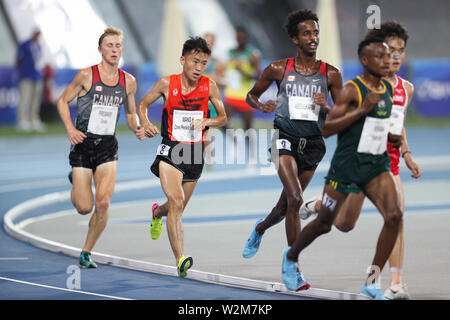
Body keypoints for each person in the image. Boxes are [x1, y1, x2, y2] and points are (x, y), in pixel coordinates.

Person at [299, 22, 421, 299]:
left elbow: (396, 123)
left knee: (396, 217)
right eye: (391, 51)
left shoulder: (407, 89)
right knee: (344, 224)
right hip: (358, 163)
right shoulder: (363, 86)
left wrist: (407, 155)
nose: (397, 57)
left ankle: (393, 284)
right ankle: (320, 204)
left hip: (386, 164)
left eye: (401, 51)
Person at [242, 9, 343, 291]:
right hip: (283, 138)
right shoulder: (278, 69)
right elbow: (252, 95)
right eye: (307, 34)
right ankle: (292, 264)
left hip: (312, 145)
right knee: (296, 199)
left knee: (284, 206)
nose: (313, 38)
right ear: (295, 39)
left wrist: (327, 107)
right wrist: (261, 105)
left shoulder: (331, 74)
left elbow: (342, 113)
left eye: (316, 33)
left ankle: (260, 228)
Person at [137, 37, 227, 278]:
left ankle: (157, 212)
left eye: (204, 63)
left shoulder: (210, 86)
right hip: (171, 150)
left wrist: (206, 121)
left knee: (177, 207)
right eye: (195, 61)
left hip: (194, 152)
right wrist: (145, 122)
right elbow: (143, 105)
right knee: (176, 202)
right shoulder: (167, 83)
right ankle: (180, 260)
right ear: (182, 60)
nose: (199, 67)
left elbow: (223, 118)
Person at [56, 27, 146, 268]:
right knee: (85, 208)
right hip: (83, 147)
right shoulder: (86, 76)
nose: (114, 50)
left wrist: (137, 127)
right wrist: (70, 129)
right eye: (109, 45)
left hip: (107, 147)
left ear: (122, 50)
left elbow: (130, 113)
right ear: (100, 49)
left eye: (118, 46)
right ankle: (76, 181)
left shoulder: (129, 81)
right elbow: (62, 101)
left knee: (104, 203)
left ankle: (86, 251)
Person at [224, 26, 261, 163]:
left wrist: (244, 72)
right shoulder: (230, 53)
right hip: (231, 94)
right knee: (223, 121)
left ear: (246, 38)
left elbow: (258, 76)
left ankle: (252, 156)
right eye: (238, 37)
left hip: (245, 96)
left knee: (247, 128)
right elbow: (224, 70)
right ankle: (234, 140)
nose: (240, 40)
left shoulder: (252, 54)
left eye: (242, 37)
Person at [203, 33, 226, 170]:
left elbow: (225, 82)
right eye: (206, 41)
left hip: (211, 104)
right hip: (196, 104)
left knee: (207, 136)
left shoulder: (218, 63)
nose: (208, 44)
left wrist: (217, 80)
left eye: (211, 42)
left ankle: (209, 161)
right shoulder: (195, 61)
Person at [15, 29, 45, 132]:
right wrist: (19, 72)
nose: (37, 36)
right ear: (33, 34)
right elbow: (18, 60)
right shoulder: (25, 45)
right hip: (25, 75)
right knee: (24, 98)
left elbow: (39, 61)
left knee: (35, 99)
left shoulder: (39, 46)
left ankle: (34, 119)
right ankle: (22, 120)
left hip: (37, 76)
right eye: (36, 34)